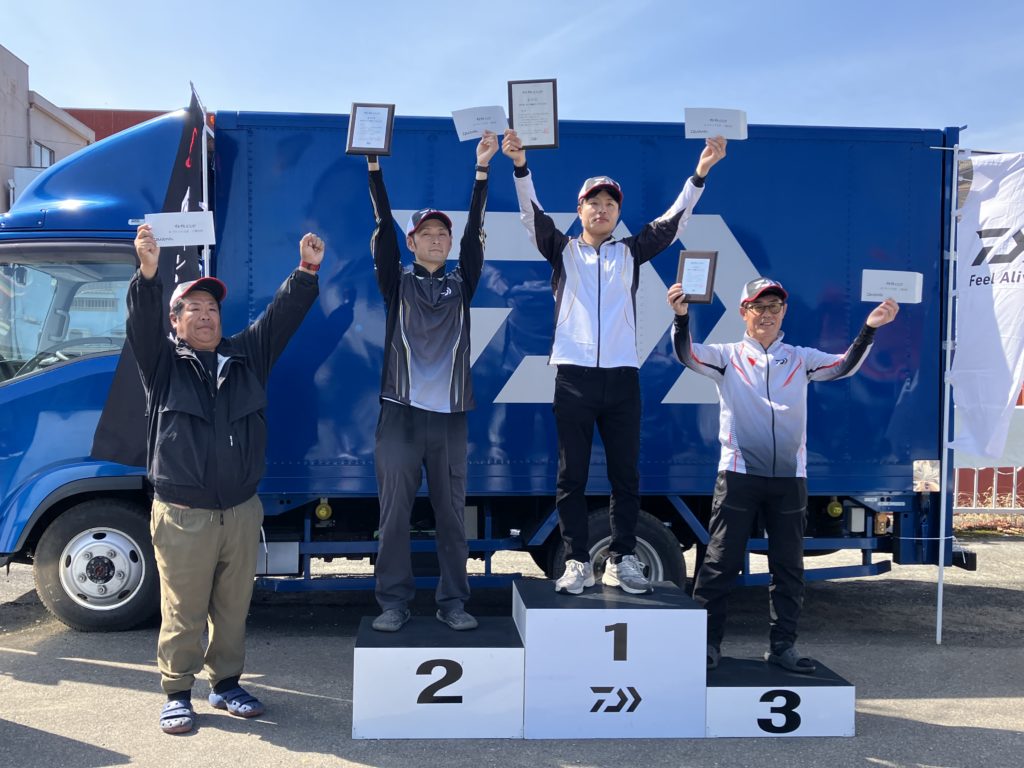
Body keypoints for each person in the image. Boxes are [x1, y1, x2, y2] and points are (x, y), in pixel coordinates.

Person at [501, 128, 727, 595]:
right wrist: (521, 166)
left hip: (623, 378)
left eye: (610, 204)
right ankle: (576, 562)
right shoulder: (562, 250)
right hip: (574, 379)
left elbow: (674, 222)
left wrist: (700, 173)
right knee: (571, 478)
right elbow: (530, 214)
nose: (601, 209)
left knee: (626, 476)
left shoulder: (631, 252)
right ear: (580, 210)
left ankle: (622, 560)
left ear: (618, 214)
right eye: (593, 202)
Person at [128, 224, 323, 734]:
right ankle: (177, 692)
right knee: (184, 609)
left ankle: (226, 684)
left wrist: (305, 272)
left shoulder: (245, 357)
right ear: (175, 321)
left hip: (239, 511)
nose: (205, 315)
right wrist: (148, 274)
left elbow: (280, 318)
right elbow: (141, 324)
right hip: (183, 514)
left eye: (212, 307)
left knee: (233, 608)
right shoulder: (162, 365)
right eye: (193, 308)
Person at [668, 277, 899, 672]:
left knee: (789, 567)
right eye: (759, 307)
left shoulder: (800, 358)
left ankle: (782, 647)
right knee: (720, 562)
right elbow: (686, 354)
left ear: (784, 312)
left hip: (790, 479)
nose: (767, 314)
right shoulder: (727, 356)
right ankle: (706, 644)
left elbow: (843, 366)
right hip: (738, 474)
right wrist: (681, 318)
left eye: (774, 307)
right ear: (743, 312)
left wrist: (869, 329)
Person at [367, 131, 498, 632]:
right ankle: (393, 603)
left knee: (451, 517)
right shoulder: (395, 282)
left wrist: (481, 172)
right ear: (412, 242)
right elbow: (382, 225)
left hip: (450, 420)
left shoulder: (462, 282)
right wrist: (374, 169)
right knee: (394, 517)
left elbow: (476, 232)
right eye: (427, 233)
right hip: (399, 416)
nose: (437, 239)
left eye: (443, 233)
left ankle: (453, 602)